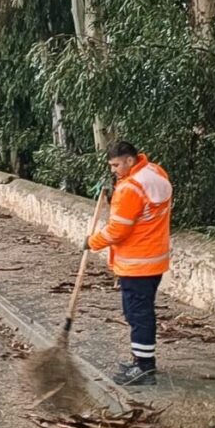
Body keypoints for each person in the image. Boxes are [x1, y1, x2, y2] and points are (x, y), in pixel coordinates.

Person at [88, 140, 172, 386]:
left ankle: (144, 368)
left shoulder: (130, 189)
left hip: (137, 262)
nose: (113, 170)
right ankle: (140, 359)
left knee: (138, 314)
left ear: (129, 160)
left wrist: (91, 242)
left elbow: (117, 231)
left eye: (116, 165)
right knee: (141, 311)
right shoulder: (156, 172)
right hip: (154, 257)